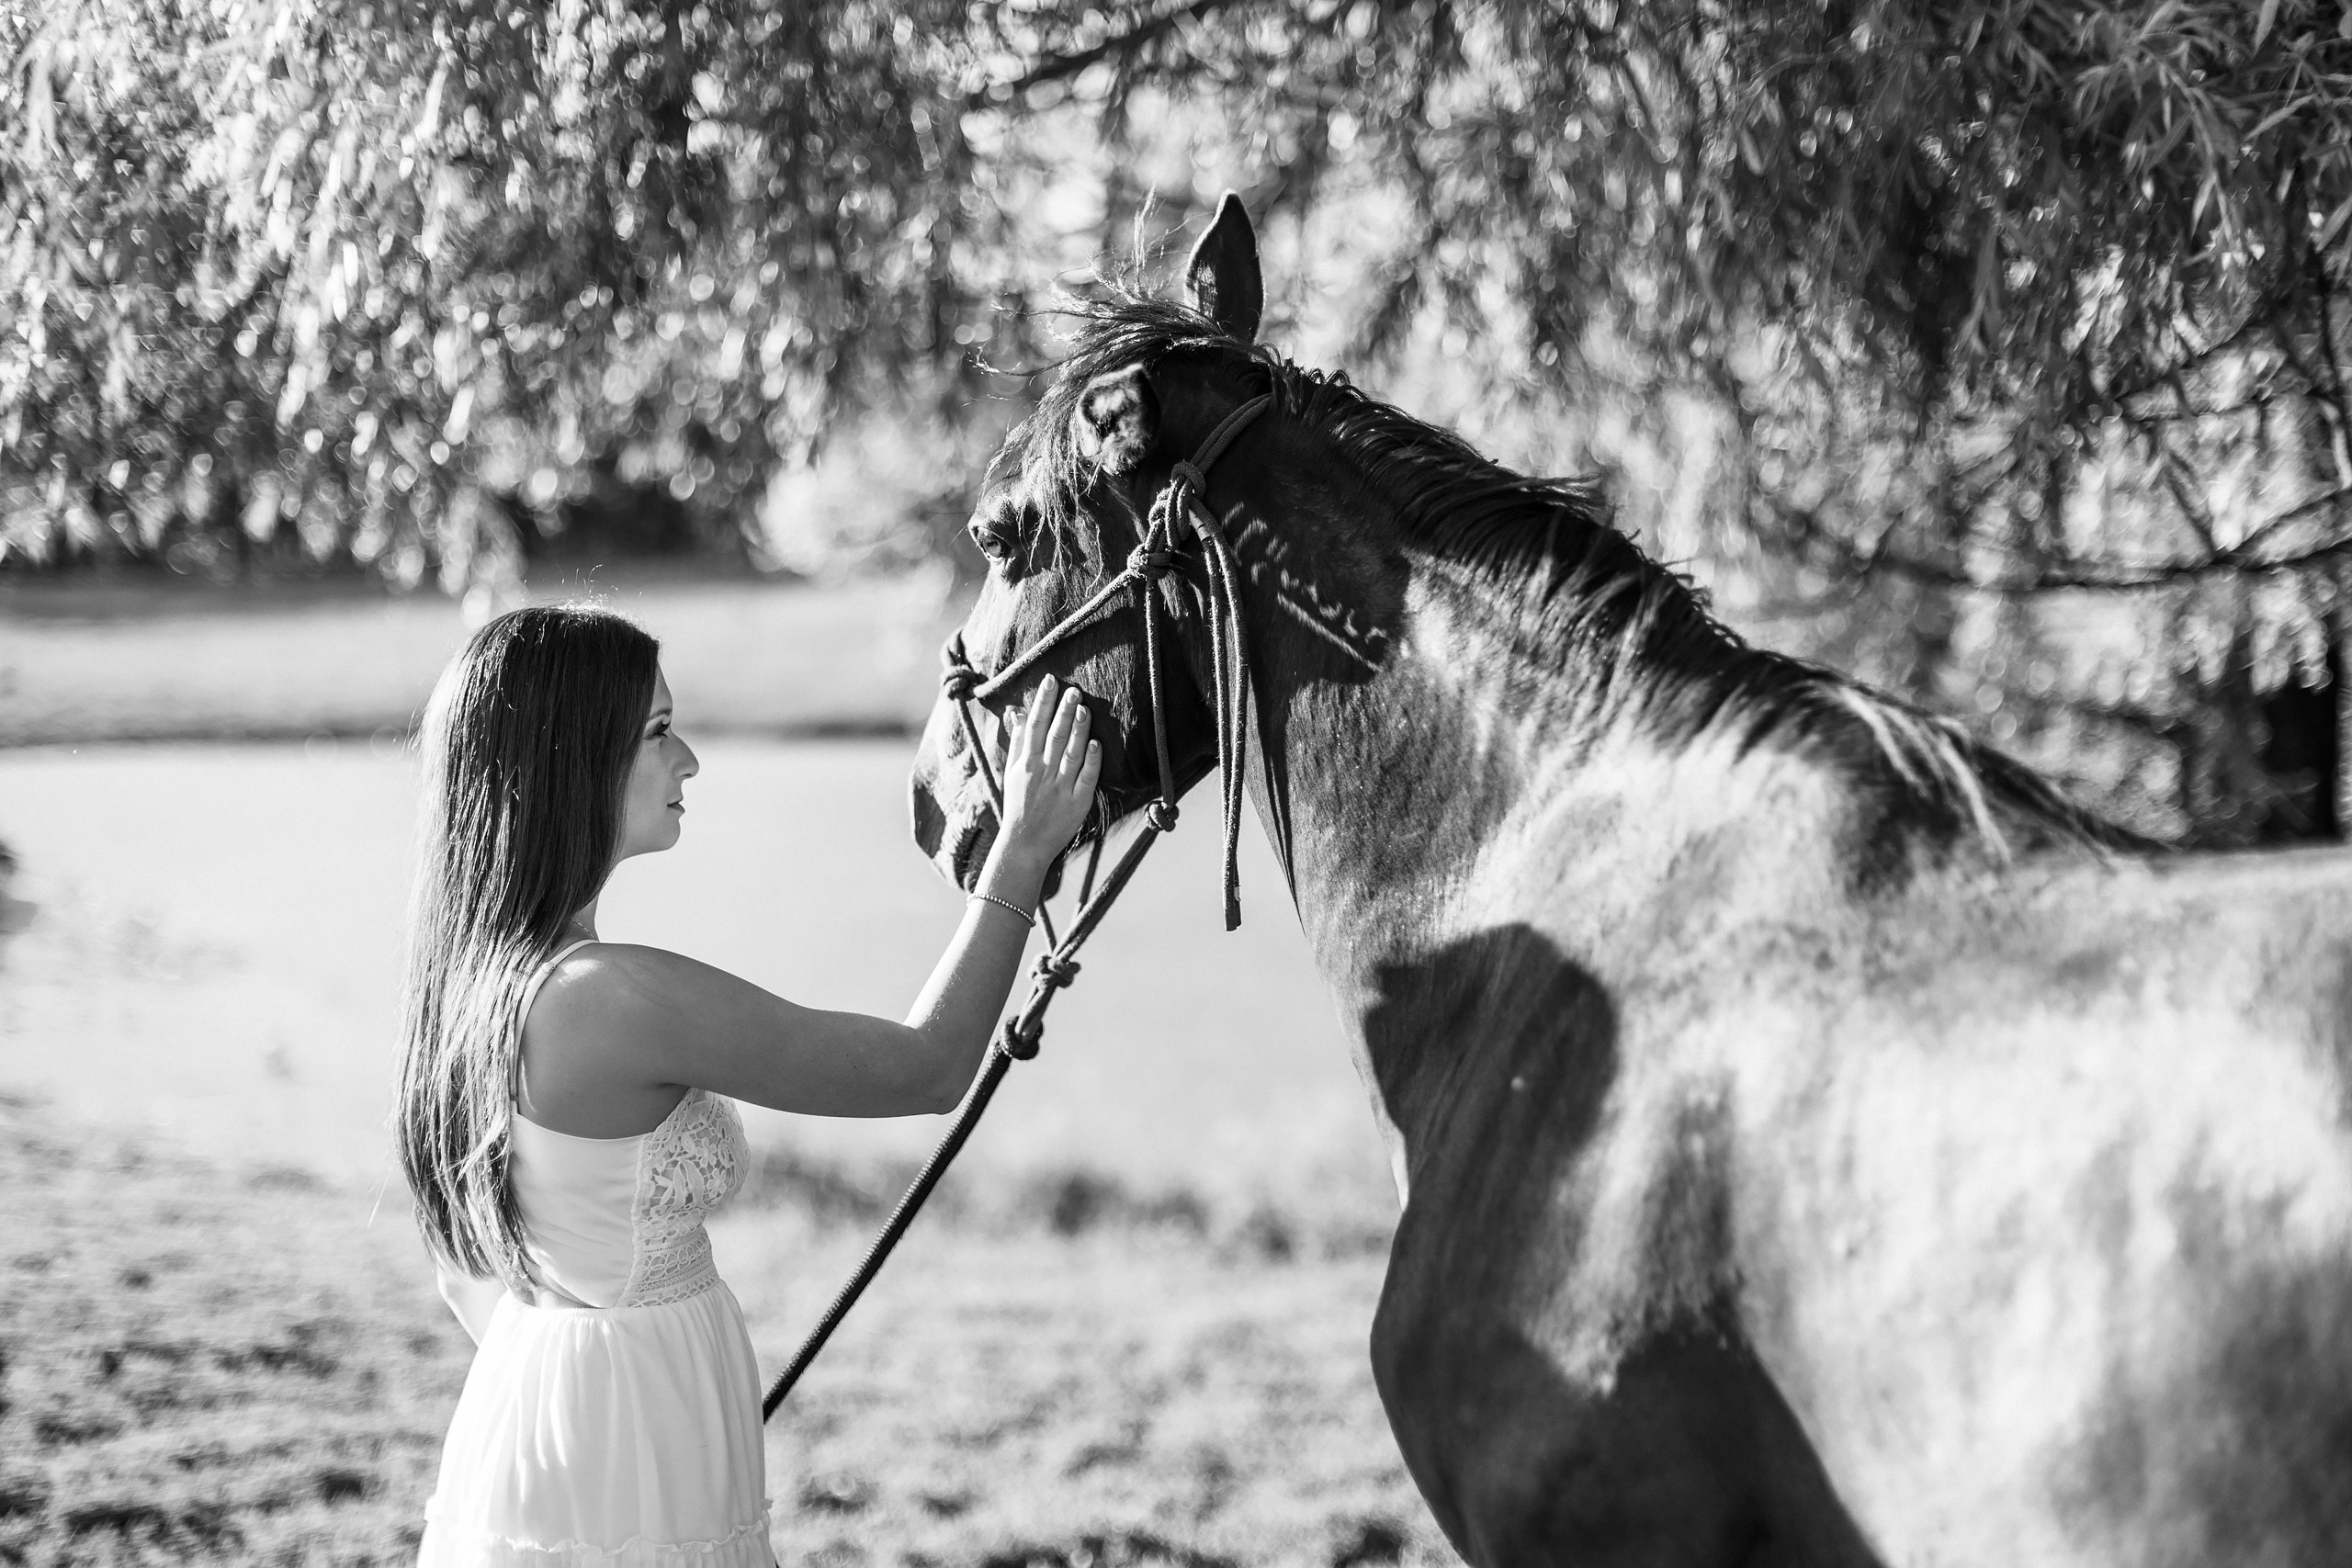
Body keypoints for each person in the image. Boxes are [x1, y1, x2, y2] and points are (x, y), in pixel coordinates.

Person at [399, 604, 1098, 1566]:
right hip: (627, 1451)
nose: (688, 761)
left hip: (538, 1413)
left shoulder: (473, 985)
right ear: (569, 763)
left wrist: (581, 1368)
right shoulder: (614, 996)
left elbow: (464, 1267)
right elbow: (928, 1067)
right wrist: (1019, 859)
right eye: (656, 733)